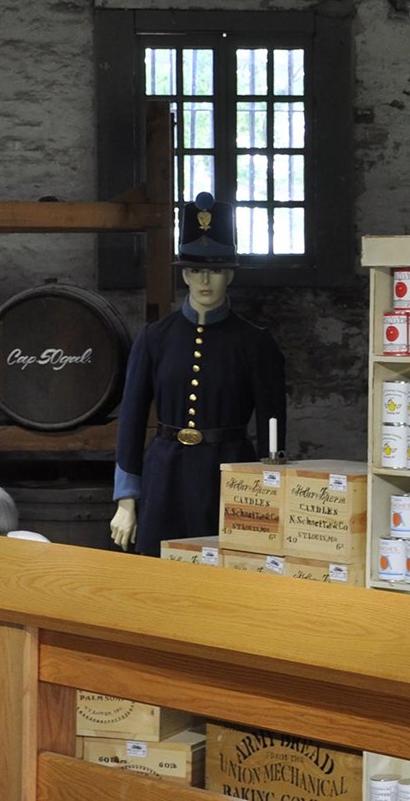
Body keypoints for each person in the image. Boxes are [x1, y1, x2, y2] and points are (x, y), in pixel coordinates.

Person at [110, 192, 287, 554]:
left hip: (231, 477)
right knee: (155, 578)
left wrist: (270, 497)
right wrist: (126, 500)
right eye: (195, 270)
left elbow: (274, 430)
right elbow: (130, 420)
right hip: (165, 477)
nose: (206, 280)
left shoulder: (255, 342)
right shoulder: (155, 338)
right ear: (185, 274)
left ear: (231, 274)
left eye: (216, 270)